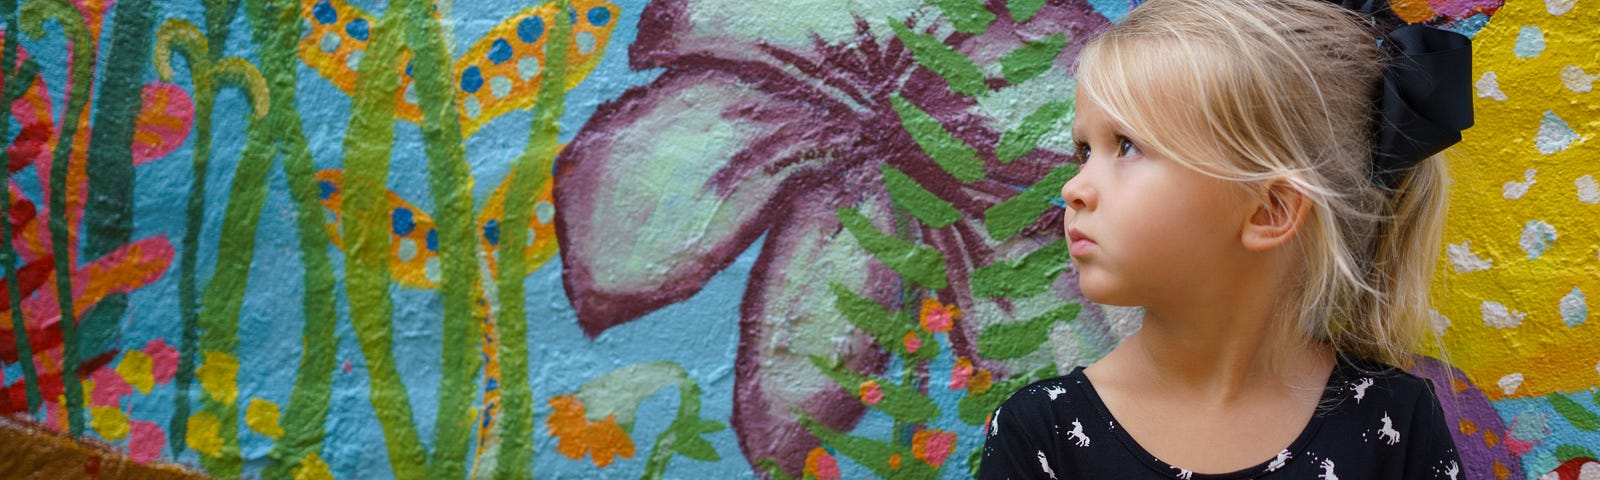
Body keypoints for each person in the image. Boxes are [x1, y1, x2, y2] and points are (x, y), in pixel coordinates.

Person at [977, 0, 1474, 478]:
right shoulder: (1043, 436)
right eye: (1084, 150)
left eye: (1126, 146)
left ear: (1269, 210)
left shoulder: (1397, 427)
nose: (1074, 188)